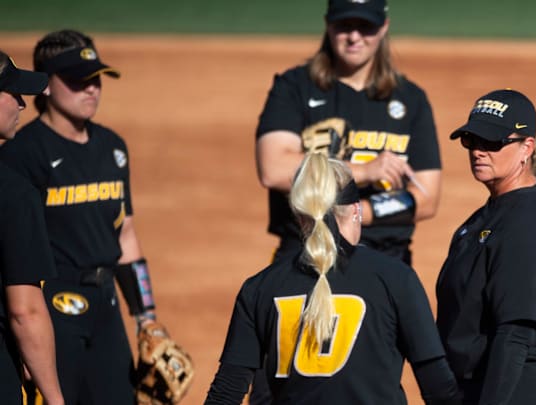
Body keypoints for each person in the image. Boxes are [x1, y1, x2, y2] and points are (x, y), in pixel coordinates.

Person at [205, 153, 459, 405]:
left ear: (298, 216)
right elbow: (438, 388)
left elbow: (226, 393)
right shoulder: (395, 278)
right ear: (357, 211)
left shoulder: (260, 288)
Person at [0, 30, 165, 405]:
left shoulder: (113, 148)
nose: (91, 89)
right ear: (46, 85)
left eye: (96, 79)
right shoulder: (20, 155)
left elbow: (126, 237)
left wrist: (146, 317)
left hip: (106, 309)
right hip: (53, 313)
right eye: (77, 81)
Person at [255, 0, 441, 266]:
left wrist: (352, 215)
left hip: (386, 258)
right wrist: (364, 171)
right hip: (306, 252)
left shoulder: (411, 99)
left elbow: (426, 198)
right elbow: (273, 168)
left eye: (365, 26)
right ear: (328, 25)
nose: (354, 37)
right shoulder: (294, 87)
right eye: (344, 25)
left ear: (384, 27)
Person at [436, 89, 536, 405]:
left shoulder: (526, 224)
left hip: (520, 392)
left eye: (492, 142)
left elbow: (514, 334)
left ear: (527, 147)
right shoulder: (492, 211)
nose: (478, 151)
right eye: (471, 140)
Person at [0, 51, 64, 405]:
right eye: (13, 93)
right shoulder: (14, 193)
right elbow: (25, 311)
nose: (24, 105)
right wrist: (54, 398)